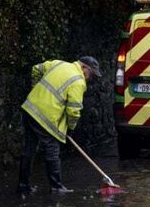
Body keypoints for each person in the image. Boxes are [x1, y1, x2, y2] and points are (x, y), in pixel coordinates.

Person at [17, 56, 102, 193]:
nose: (90, 78)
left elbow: (35, 69)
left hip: (30, 108)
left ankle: (23, 186)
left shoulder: (58, 64)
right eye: (91, 74)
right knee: (52, 150)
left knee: (29, 149)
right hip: (46, 117)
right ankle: (57, 187)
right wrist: (71, 128)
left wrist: (35, 88)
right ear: (84, 67)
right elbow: (73, 111)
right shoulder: (78, 82)